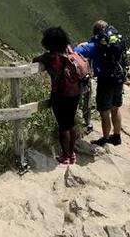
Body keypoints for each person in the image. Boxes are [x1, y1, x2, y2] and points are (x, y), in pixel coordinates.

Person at [35, 26, 90, 166]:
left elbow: (35, 60)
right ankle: (72, 154)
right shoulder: (69, 53)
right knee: (71, 122)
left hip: (60, 95)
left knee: (63, 126)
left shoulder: (51, 58)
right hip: (75, 92)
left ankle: (65, 156)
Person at [74, 20, 128, 147]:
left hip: (105, 81)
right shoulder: (116, 40)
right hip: (119, 79)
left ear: (95, 32)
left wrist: (83, 44)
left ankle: (104, 138)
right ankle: (117, 136)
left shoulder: (95, 45)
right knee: (115, 108)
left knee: (104, 112)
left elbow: (76, 51)